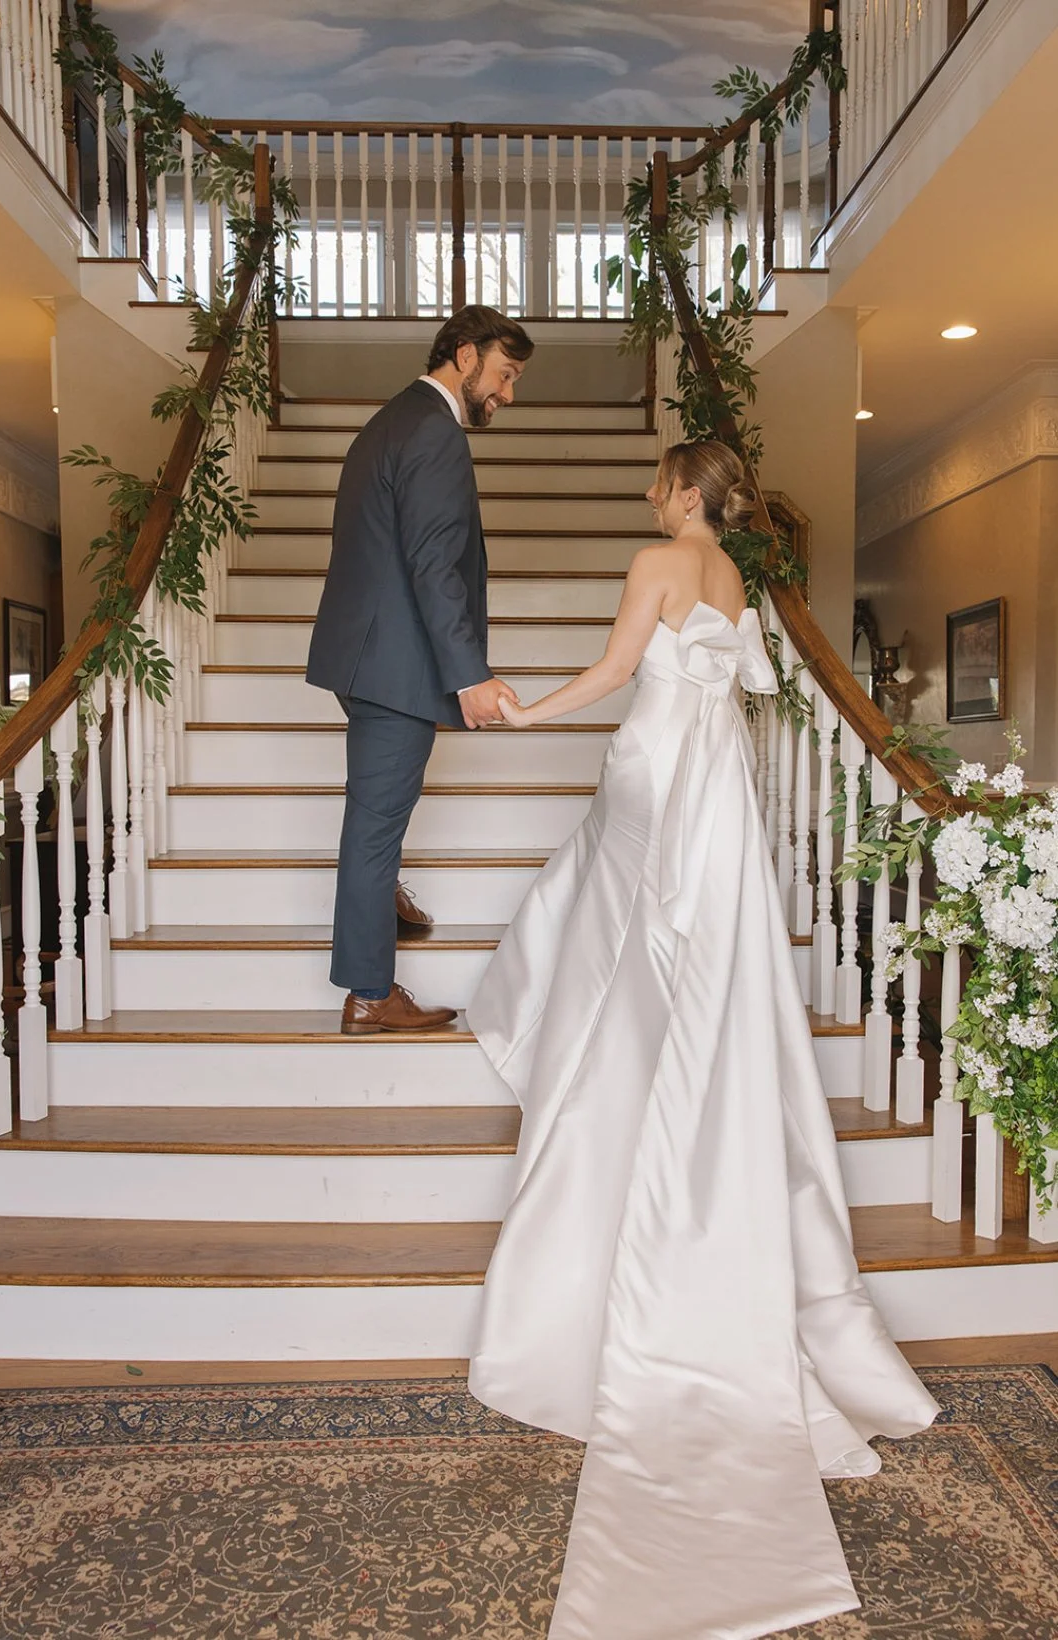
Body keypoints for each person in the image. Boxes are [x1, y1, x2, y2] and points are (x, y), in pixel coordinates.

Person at [466, 440, 939, 1640]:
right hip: (715, 788)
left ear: (681, 488)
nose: (648, 493)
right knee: (652, 947)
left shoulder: (655, 557)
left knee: (606, 911)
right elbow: (730, 688)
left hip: (655, 775)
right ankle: (623, 1071)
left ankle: (576, 1064)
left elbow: (619, 670)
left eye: (657, 479)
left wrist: (523, 708)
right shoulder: (734, 575)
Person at [306, 306, 534, 1035]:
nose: (507, 394)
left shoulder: (388, 422)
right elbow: (433, 565)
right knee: (372, 830)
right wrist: (468, 673)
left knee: (377, 822)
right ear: (463, 356)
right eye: (503, 375)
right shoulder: (435, 434)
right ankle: (371, 993)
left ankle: (384, 900)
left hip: (366, 656)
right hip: (395, 667)